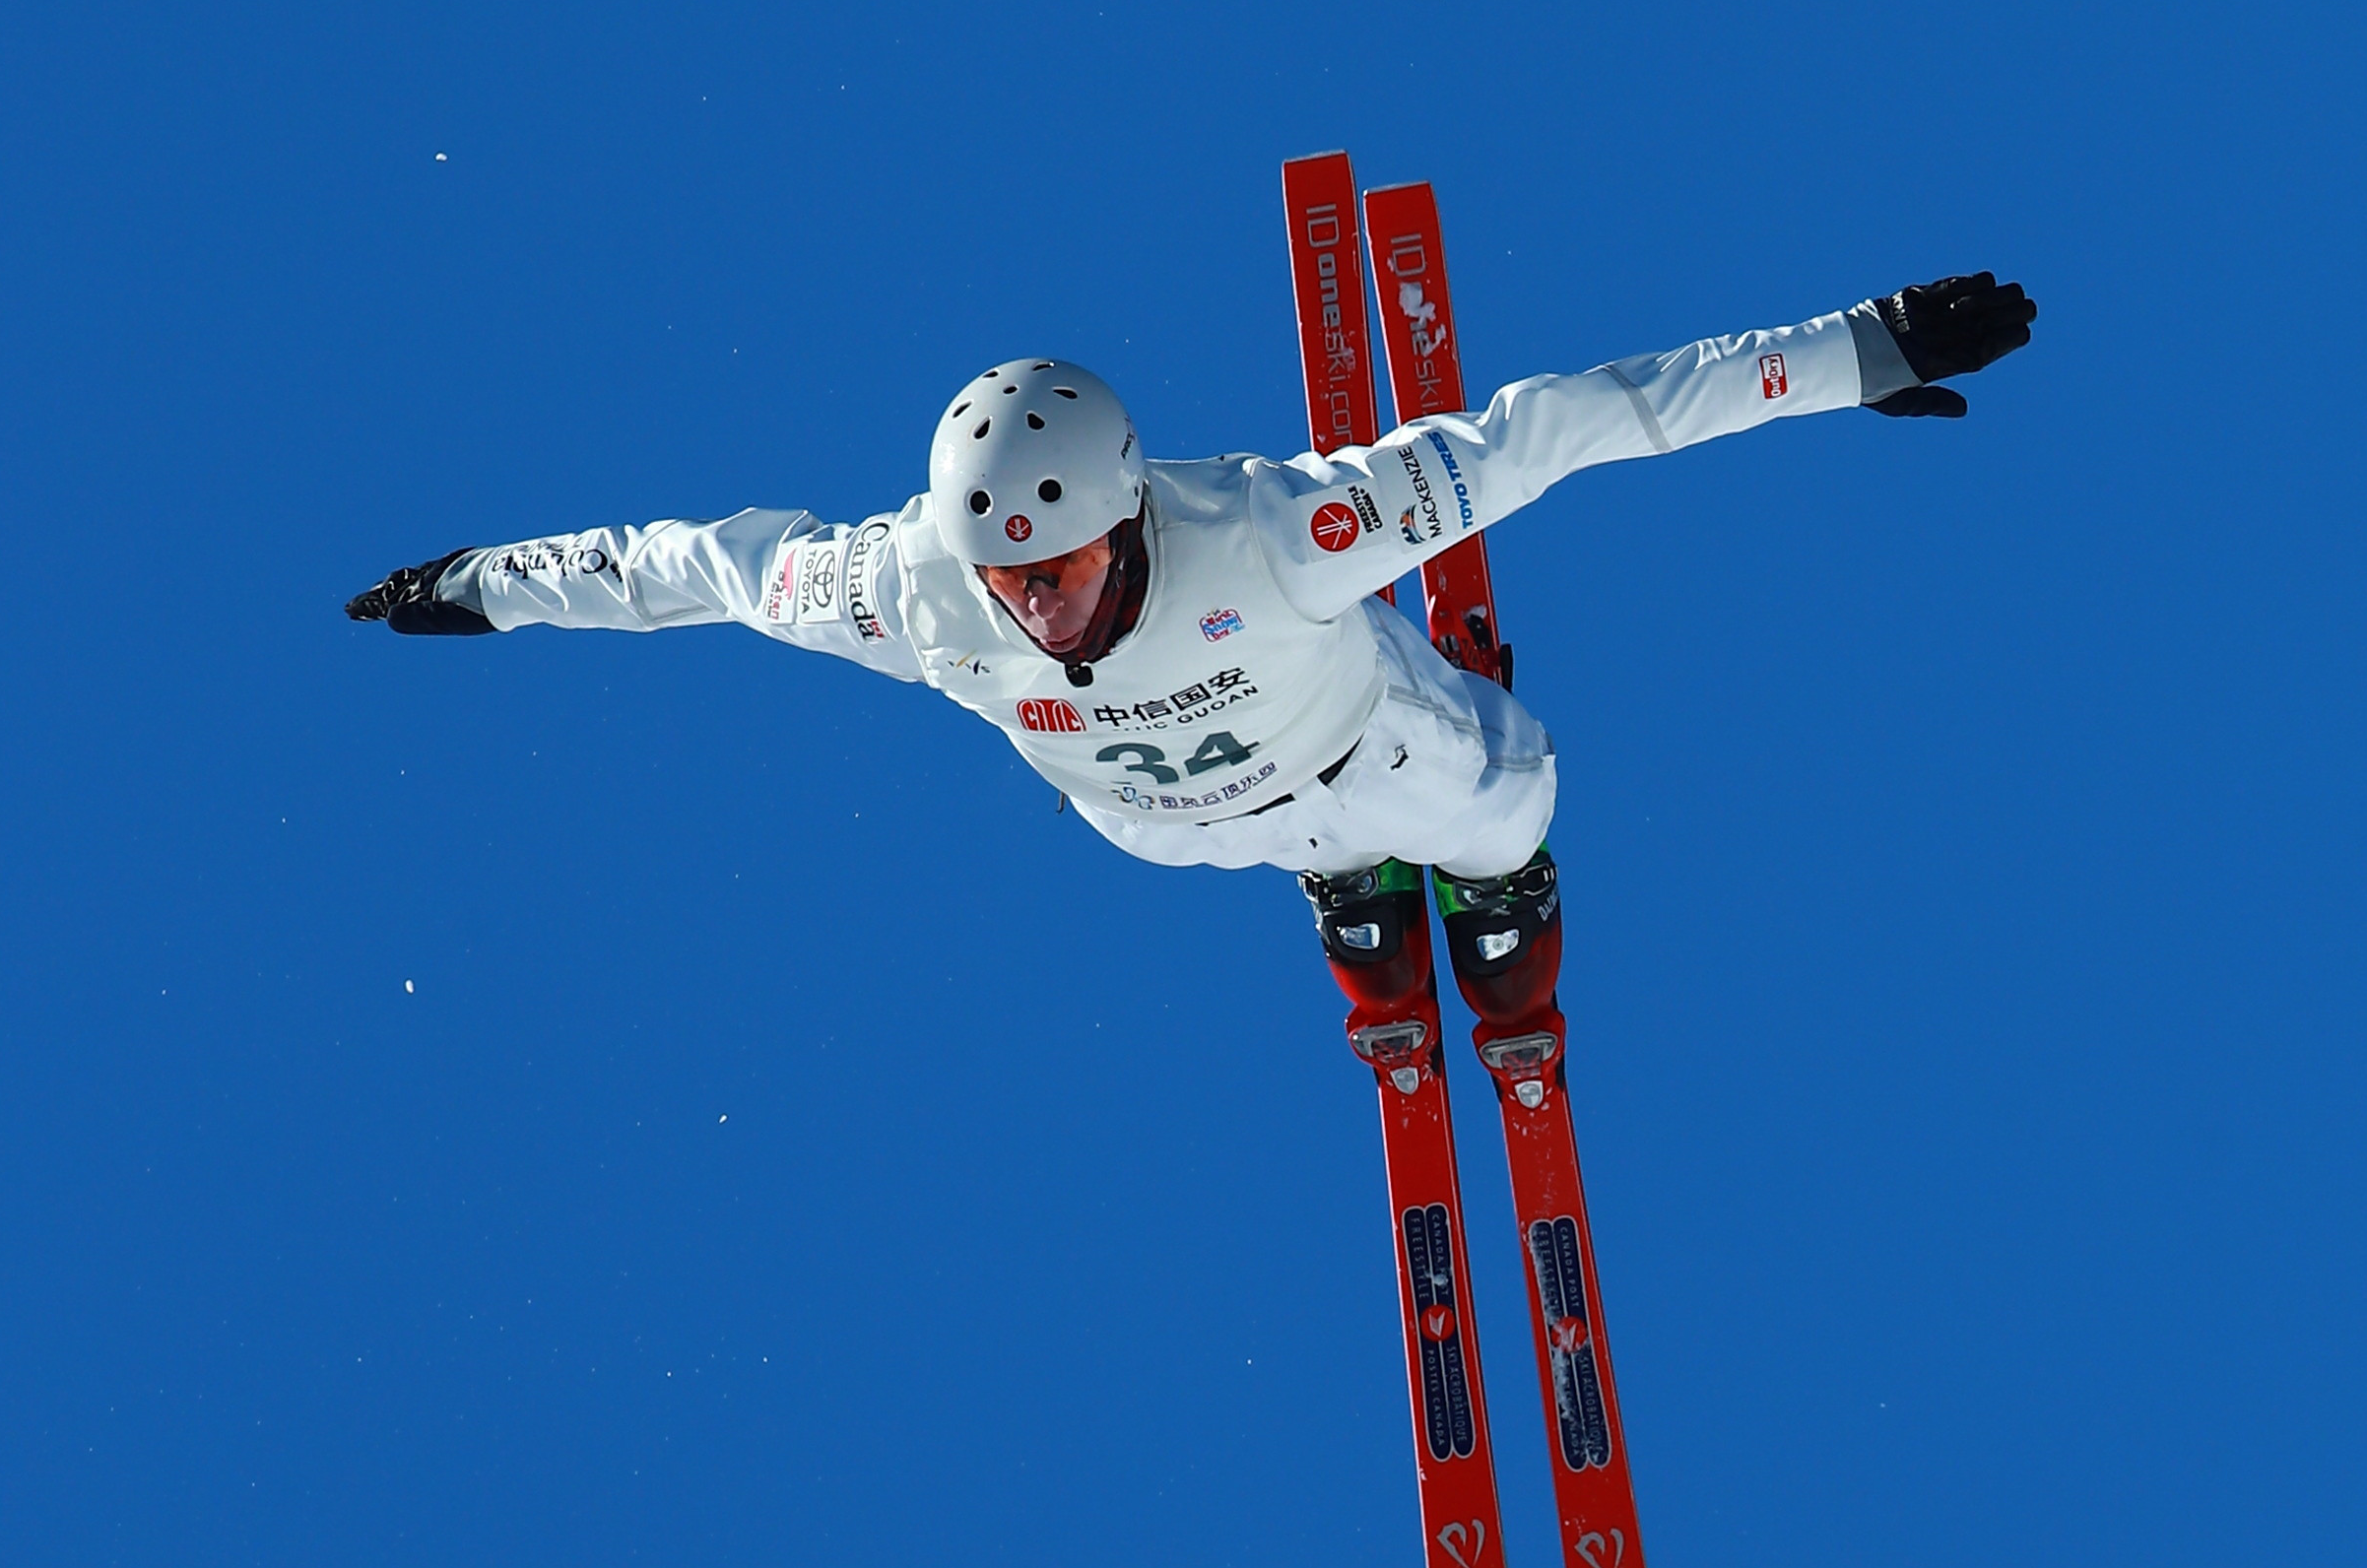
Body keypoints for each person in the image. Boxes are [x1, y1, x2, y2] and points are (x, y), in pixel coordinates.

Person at [347, 273, 2034, 1014]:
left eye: (1064, 566)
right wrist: (483, 583)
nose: (1041, 606)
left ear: (1129, 510)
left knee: (1509, 798)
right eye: (1013, 579)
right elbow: (697, 569)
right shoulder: (913, 590)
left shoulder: (1284, 531)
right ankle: (1349, 885)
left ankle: (1474, 881)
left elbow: (1564, 428)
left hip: (1356, 738)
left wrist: (1856, 353)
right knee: (1254, 842)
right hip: (1162, 821)